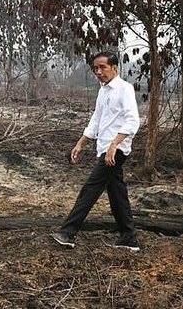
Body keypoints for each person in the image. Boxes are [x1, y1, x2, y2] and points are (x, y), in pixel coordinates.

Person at [51, 51, 141, 251]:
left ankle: (68, 233)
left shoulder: (124, 89)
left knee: (90, 190)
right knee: (117, 192)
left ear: (114, 68)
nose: (98, 72)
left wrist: (114, 144)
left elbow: (133, 121)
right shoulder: (103, 90)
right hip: (104, 149)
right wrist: (80, 144)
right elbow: (96, 121)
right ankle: (129, 236)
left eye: (103, 67)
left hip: (115, 151)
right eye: (95, 68)